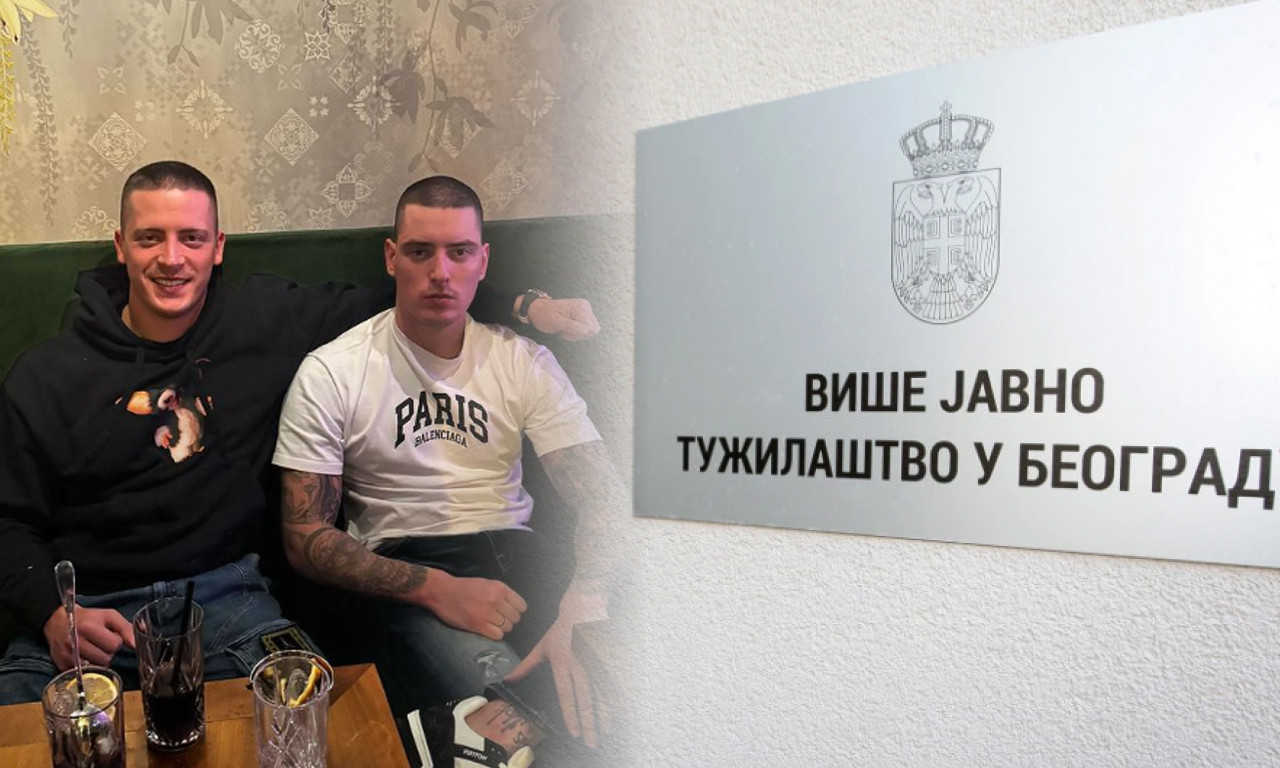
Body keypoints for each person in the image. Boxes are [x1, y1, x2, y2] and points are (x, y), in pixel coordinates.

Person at [0, 160, 601, 705]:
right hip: (89, 612)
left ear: (218, 247)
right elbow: (7, 519)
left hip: (226, 604)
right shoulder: (45, 375)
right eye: (150, 237)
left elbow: (429, 287)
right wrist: (52, 611)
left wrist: (528, 306)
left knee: (310, 724)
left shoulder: (266, 320)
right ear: (120, 246)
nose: (172, 258)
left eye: (192, 238)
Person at [272, 176, 624, 768]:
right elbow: (304, 535)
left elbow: (604, 498)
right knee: (530, 746)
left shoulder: (522, 359)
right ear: (392, 257)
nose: (440, 272)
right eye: (420, 252)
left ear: (483, 261)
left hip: (528, 562)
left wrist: (582, 605)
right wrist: (436, 590)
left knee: (626, 700)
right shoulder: (333, 371)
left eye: (459, 252)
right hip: (411, 572)